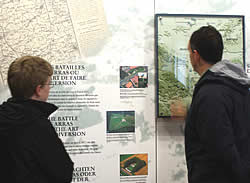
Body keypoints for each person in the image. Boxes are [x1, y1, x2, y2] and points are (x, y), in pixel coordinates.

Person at [185, 25, 250, 183]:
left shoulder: (211, 94)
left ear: (196, 55)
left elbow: (222, 149)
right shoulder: (236, 85)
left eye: (189, 53)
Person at [0, 56, 74, 182]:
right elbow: (63, 172)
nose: (49, 88)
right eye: (49, 84)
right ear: (39, 90)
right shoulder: (37, 125)